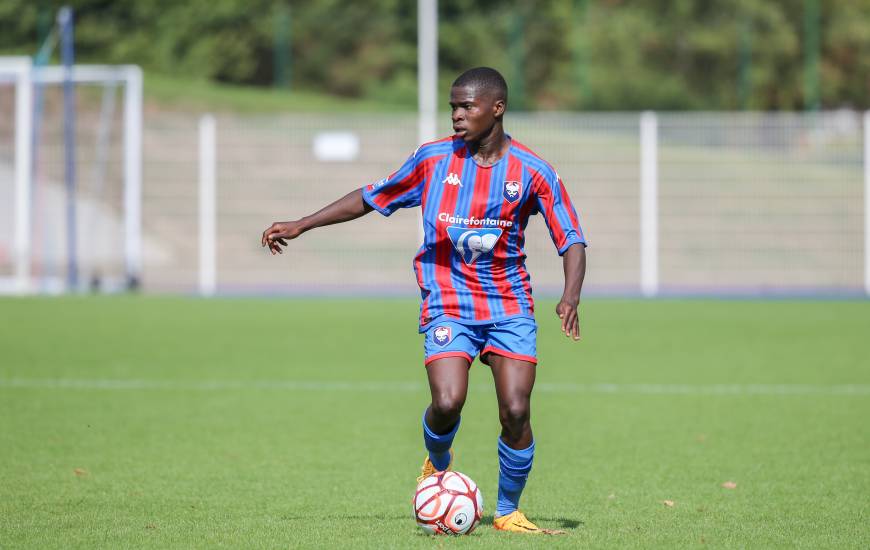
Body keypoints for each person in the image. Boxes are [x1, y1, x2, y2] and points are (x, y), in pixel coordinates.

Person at [261, 67, 586, 535]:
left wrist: (570, 295)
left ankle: (509, 511)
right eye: (453, 105)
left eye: (466, 106)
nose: (456, 115)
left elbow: (571, 238)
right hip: (448, 301)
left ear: (497, 109)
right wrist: (302, 224)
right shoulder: (433, 159)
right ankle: (437, 463)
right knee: (448, 402)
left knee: (516, 410)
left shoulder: (533, 172)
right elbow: (370, 197)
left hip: (508, 304)